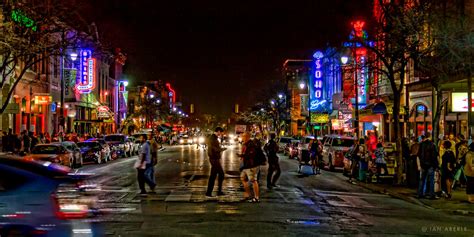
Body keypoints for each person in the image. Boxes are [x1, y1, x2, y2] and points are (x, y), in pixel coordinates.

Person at [417, 132, 439, 199]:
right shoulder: (432, 145)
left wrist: (419, 165)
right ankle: (431, 194)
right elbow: (434, 156)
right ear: (430, 136)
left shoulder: (421, 144)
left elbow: (418, 155)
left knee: (422, 179)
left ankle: (420, 193)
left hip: (423, 164)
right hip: (430, 165)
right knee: (431, 180)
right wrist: (436, 165)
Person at [240, 132, 260, 203]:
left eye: (243, 136)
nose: (242, 138)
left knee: (253, 181)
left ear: (247, 137)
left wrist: (242, 156)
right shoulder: (246, 144)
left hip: (251, 165)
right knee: (243, 178)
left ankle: (256, 197)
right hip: (246, 165)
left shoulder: (251, 144)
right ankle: (248, 194)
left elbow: (251, 154)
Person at [205, 127, 226, 197]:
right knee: (221, 174)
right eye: (221, 132)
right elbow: (214, 149)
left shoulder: (214, 138)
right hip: (214, 159)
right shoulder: (213, 138)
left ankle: (210, 192)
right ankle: (217, 191)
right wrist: (221, 149)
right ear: (218, 131)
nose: (221, 134)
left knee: (213, 176)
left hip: (214, 158)